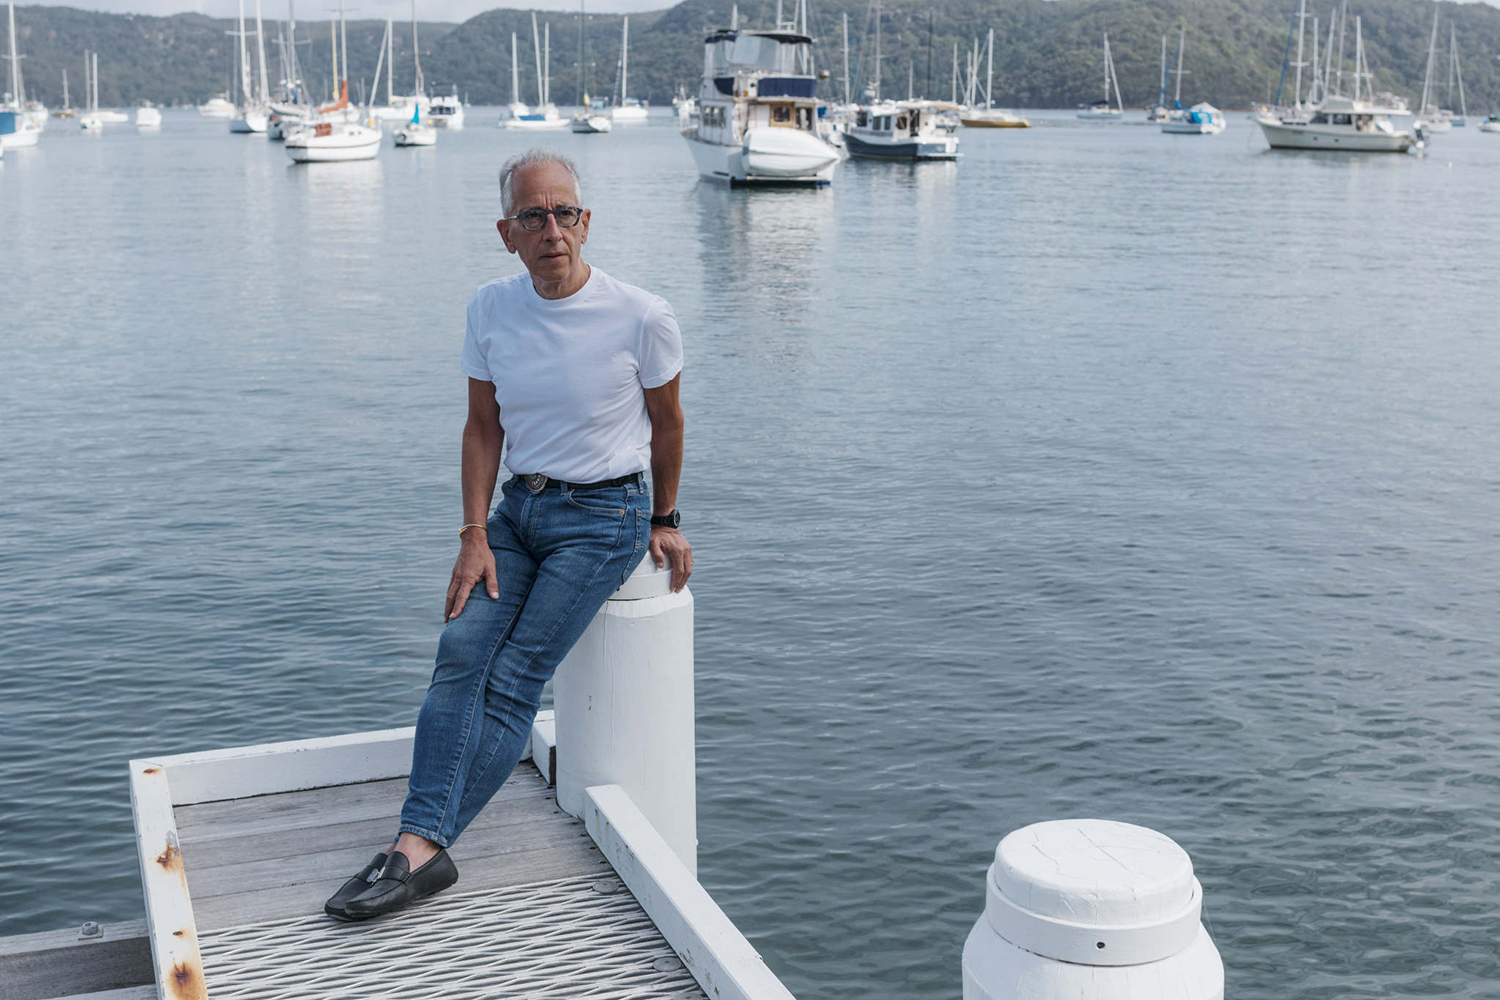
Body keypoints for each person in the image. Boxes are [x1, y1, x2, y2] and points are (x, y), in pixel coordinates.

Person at [324, 148, 693, 921]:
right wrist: (473, 533)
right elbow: (482, 426)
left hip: (603, 520)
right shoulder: (490, 308)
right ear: (508, 233)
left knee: (518, 672)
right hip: (516, 517)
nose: (551, 228)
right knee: (461, 652)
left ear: (586, 223)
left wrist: (664, 519)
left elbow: (668, 426)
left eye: (564, 213)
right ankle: (419, 843)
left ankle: (417, 849)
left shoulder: (641, 315)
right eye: (533, 216)